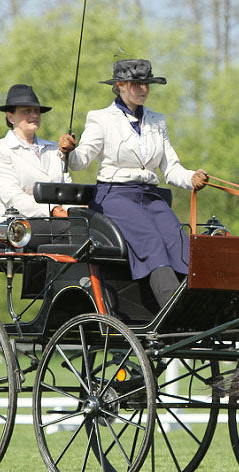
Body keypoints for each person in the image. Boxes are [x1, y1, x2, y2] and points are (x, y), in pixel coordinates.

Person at [58, 58, 208, 307]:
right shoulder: (101, 118)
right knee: (152, 242)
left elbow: (170, 168)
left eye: (147, 84)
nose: (144, 89)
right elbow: (79, 161)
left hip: (150, 196)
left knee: (180, 243)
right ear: (120, 85)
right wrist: (67, 151)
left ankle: (195, 309)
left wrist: (191, 178)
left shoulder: (157, 121)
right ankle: (172, 312)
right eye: (137, 84)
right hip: (114, 196)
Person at [0, 84, 71, 227]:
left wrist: (78, 210)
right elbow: (12, 197)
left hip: (59, 220)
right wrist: (52, 210)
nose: (34, 115)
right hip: (20, 222)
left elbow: (66, 187)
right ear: (10, 117)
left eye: (37, 111)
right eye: (27, 111)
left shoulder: (54, 149)